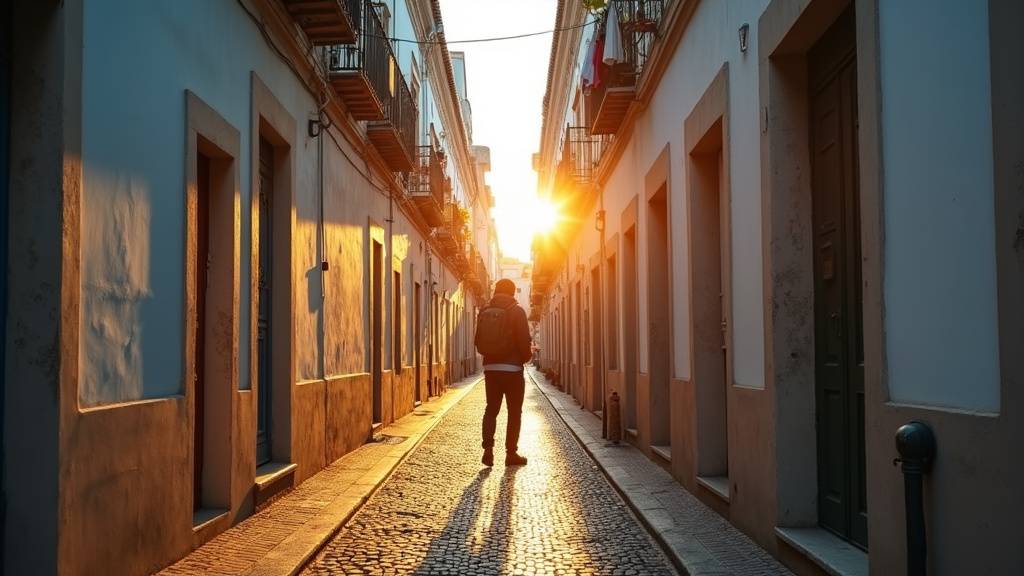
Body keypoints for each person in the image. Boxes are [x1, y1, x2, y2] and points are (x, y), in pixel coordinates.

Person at [475, 278, 532, 467]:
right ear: (513, 292)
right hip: (513, 369)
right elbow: (524, 341)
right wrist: (523, 359)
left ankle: (488, 450)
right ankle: (511, 454)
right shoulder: (517, 311)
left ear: (496, 291)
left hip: (490, 369)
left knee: (491, 409)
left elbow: (477, 341)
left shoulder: (484, 310)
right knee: (514, 411)